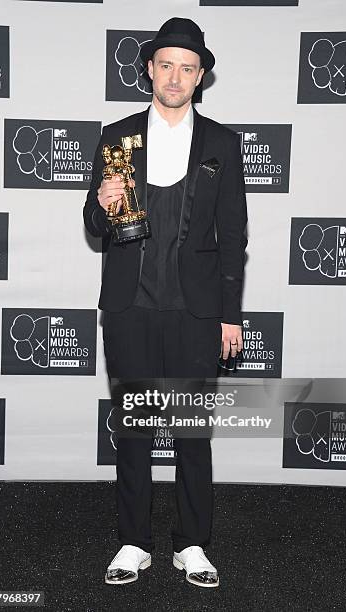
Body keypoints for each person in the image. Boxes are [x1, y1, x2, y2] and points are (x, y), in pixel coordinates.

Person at [83, 17, 248, 588]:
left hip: (197, 312)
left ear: (200, 77)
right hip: (130, 306)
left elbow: (234, 236)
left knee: (191, 432)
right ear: (149, 69)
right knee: (133, 428)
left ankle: (193, 544)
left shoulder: (223, 144)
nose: (175, 77)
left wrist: (231, 313)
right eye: (165, 64)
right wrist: (104, 204)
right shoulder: (118, 136)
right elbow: (93, 221)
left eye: (187, 67)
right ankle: (133, 541)